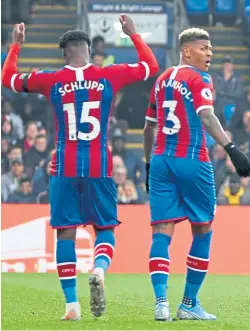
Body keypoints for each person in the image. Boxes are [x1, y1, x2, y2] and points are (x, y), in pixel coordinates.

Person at [1, 16, 158, 320]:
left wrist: (15, 46)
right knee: (105, 229)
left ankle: (72, 306)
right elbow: (150, 66)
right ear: (88, 49)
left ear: (64, 53)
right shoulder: (108, 75)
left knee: (65, 234)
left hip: (63, 168)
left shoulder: (51, 79)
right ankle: (99, 269)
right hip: (99, 166)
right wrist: (134, 34)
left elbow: (8, 78)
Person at [143, 28, 250, 321]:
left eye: (211, 49)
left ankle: (161, 303)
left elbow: (149, 126)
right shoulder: (199, 78)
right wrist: (231, 148)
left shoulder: (162, 79)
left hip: (161, 161)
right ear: (187, 51)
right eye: (204, 48)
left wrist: (147, 165)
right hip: (192, 159)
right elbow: (206, 115)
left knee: (161, 231)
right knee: (202, 229)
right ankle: (188, 303)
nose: (210, 54)